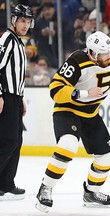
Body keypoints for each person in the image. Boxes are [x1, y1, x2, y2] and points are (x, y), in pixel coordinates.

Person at [35, 31, 110, 213]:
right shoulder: (77, 60)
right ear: (91, 52)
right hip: (67, 110)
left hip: (90, 114)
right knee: (68, 145)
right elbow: (55, 89)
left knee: (107, 158)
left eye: (109, 52)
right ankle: (45, 188)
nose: (108, 57)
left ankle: (91, 192)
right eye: (103, 54)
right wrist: (84, 94)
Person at [0, 4, 34, 200]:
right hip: (6, 97)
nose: (26, 25)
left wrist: (20, 98)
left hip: (15, 98)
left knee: (16, 141)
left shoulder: (19, 42)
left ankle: (7, 183)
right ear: (13, 20)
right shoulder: (7, 39)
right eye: (22, 20)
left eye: (28, 21)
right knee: (7, 141)